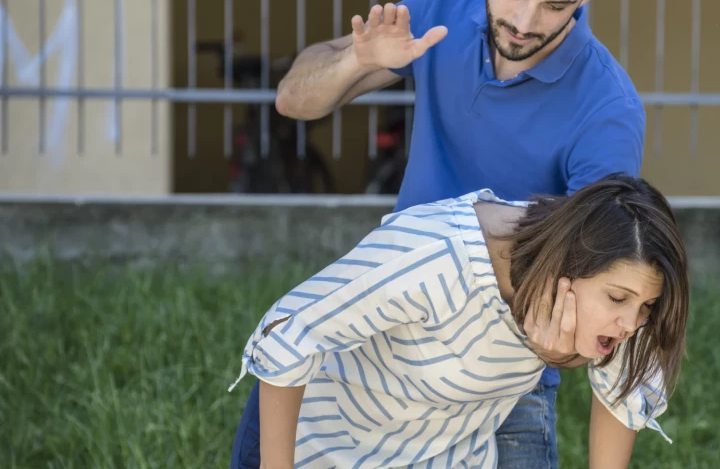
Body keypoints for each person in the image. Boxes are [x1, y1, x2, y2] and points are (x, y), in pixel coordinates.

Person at [232, 0, 647, 467]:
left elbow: (599, 291)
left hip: (503, 368)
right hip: (387, 319)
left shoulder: (608, 111)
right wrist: (355, 61)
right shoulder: (449, 3)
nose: (522, 20)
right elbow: (292, 100)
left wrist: (564, 349)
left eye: (554, 6)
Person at [228, 173, 689, 469]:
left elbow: (622, 392)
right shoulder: (436, 254)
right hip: (320, 449)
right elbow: (289, 333)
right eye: (619, 299)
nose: (632, 323)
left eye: (646, 306)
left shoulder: (617, 303)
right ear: (569, 263)